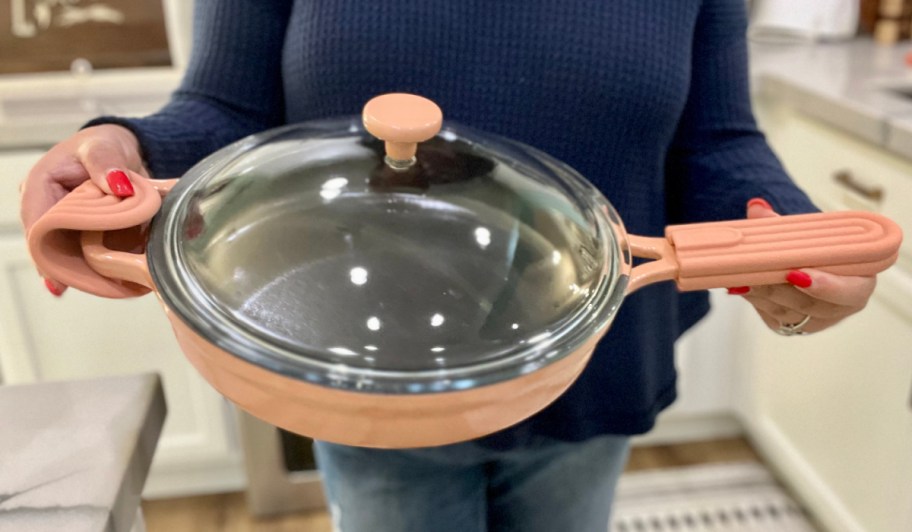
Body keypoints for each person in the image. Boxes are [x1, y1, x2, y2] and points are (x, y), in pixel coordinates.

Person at [19, 1, 877, 531]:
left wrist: (786, 229)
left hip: (591, 357)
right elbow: (224, 108)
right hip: (366, 373)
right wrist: (128, 151)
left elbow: (719, 140)